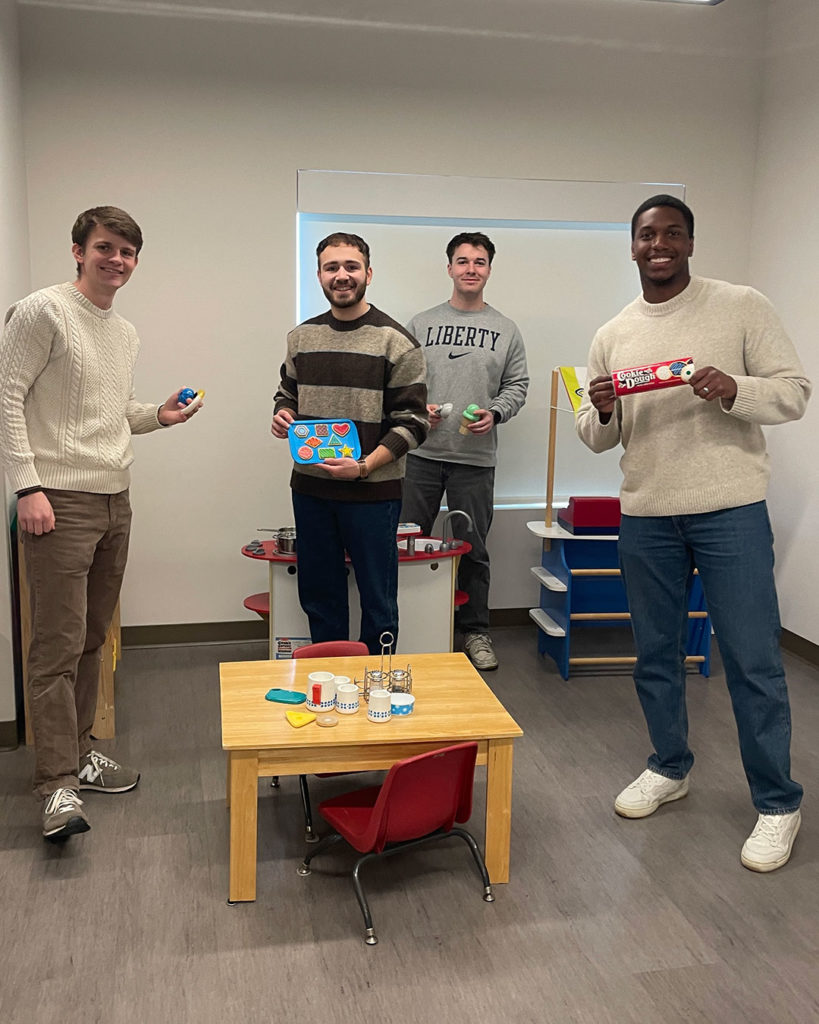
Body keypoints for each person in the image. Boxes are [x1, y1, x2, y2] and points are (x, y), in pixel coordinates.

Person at [576, 194, 810, 872]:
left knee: (751, 659)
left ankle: (776, 802)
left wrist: (733, 386)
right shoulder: (611, 332)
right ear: (630, 246)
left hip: (729, 509)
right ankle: (668, 765)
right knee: (653, 654)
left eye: (671, 233)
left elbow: (793, 391)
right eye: (647, 234)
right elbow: (598, 438)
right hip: (645, 513)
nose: (659, 244)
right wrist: (601, 411)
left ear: (689, 242)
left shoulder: (740, 305)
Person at [0, 206, 202, 841]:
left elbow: (107, 413)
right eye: (106, 248)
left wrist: (157, 416)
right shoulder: (43, 311)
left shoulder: (124, 332)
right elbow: (7, 395)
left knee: (92, 641)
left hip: (116, 499)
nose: (117, 260)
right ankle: (56, 785)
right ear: (78, 251)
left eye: (128, 252)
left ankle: (82, 751)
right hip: (57, 501)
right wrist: (26, 487)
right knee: (55, 648)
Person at [272, 232, 428, 655]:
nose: (342, 276)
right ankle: (329, 677)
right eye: (331, 267)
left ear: (368, 274)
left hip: (373, 492)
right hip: (311, 489)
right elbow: (287, 392)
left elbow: (413, 423)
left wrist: (363, 467)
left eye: (351, 267)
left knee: (378, 598)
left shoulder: (396, 342)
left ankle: (375, 679)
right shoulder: (300, 338)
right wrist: (283, 413)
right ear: (319, 275)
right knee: (319, 594)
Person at [401, 232, 528, 671]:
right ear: (449, 268)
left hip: (474, 461)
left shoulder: (506, 329)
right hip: (419, 456)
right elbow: (403, 383)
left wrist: (495, 412)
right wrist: (420, 410)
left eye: (479, 261)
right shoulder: (420, 324)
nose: (471, 268)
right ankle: (404, 628)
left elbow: (518, 386)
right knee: (407, 544)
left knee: (472, 548)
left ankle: (475, 632)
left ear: (489, 269)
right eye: (462, 261)